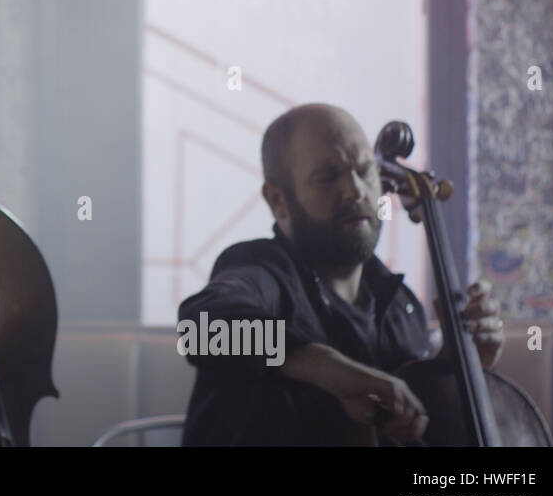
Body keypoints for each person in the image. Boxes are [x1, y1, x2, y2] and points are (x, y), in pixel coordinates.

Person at [178, 103, 505, 446]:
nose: (356, 191)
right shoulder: (261, 272)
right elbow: (202, 330)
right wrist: (329, 369)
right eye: (327, 177)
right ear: (279, 200)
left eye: (366, 171)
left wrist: (458, 370)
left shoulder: (401, 307)